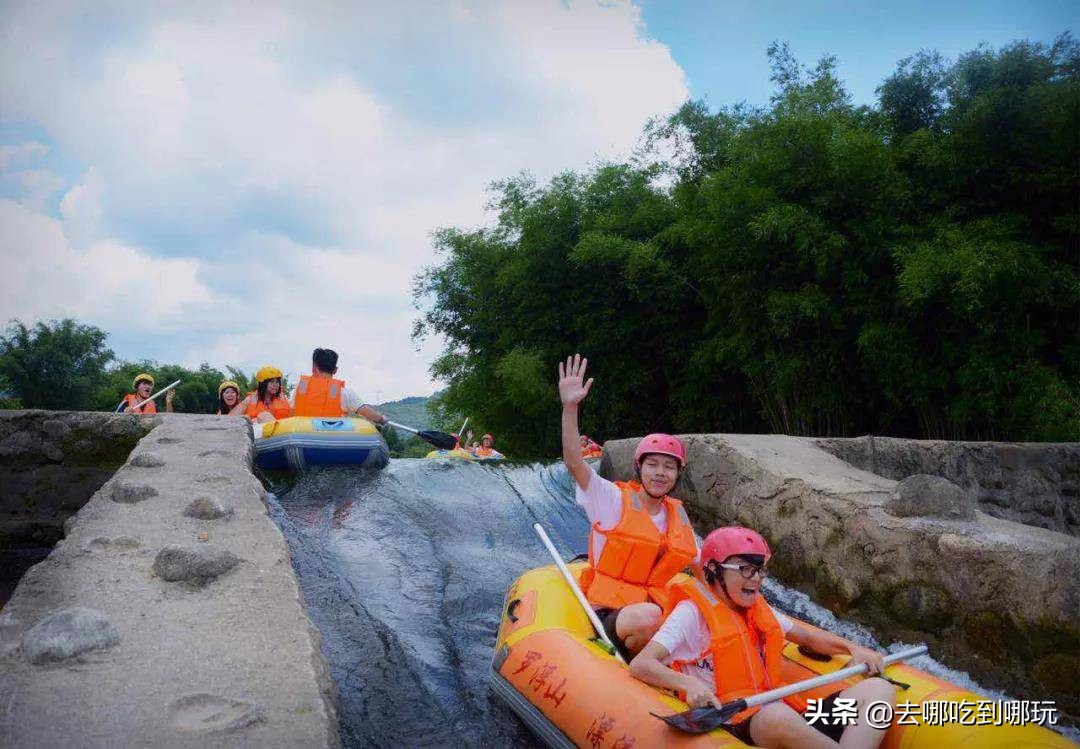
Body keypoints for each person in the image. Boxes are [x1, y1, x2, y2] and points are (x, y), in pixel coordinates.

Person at [629, 527, 895, 749]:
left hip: (786, 714)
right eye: (745, 569)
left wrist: (853, 648)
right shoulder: (691, 614)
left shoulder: (758, 608)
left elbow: (808, 638)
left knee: (879, 691)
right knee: (776, 717)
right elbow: (641, 664)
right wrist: (687, 683)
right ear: (713, 570)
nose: (756, 579)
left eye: (760, 570)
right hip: (737, 722)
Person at [558, 353, 699, 660]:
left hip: (653, 612)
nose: (660, 473)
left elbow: (702, 568)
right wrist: (570, 407)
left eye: (669, 467)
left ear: (677, 474)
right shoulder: (611, 499)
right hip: (610, 613)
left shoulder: (678, 516)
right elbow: (574, 462)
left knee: (683, 613)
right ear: (639, 468)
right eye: (653, 465)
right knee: (649, 616)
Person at [291, 347, 389, 425]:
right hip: (331, 443)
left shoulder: (300, 388)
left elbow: (290, 411)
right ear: (335, 370)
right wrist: (381, 419)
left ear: (314, 367)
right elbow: (366, 412)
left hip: (301, 442)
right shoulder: (344, 393)